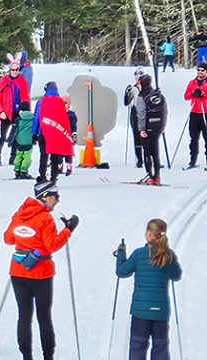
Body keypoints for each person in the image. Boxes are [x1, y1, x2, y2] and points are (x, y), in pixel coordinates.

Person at [4, 179, 78, 360]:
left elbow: (8, 239)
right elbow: (52, 245)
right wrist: (68, 230)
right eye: (56, 196)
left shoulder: (20, 214)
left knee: (24, 316)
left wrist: (25, 239)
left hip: (18, 271)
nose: (58, 200)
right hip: (41, 273)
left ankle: (26, 357)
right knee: (44, 317)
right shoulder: (45, 218)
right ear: (45, 196)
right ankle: (48, 357)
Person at [115, 218, 182, 360]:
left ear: (149, 233)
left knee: (138, 347)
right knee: (160, 348)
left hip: (141, 311)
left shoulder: (139, 254)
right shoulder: (168, 256)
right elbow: (177, 275)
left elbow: (122, 272)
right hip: (161, 311)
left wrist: (121, 254)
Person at [0, 53, 30, 166]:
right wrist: (0, 111)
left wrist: (24, 110)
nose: (15, 72)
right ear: (9, 70)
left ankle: (13, 157)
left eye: (17, 69)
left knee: (16, 136)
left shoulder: (21, 81)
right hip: (6, 112)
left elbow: (25, 97)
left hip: (17, 112)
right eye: (13, 70)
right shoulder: (4, 81)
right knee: (2, 136)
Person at [33, 82, 73, 183]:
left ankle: (42, 175)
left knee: (43, 155)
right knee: (55, 156)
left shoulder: (42, 101)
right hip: (56, 133)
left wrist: (34, 132)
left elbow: (37, 117)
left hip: (43, 132)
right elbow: (63, 118)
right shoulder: (60, 101)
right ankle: (54, 177)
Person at [137, 74, 167, 184]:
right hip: (157, 127)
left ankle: (149, 174)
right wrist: (162, 126)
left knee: (147, 152)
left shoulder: (142, 97)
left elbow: (141, 114)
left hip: (147, 127)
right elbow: (164, 112)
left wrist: (141, 129)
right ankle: (157, 175)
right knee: (155, 152)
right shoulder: (159, 95)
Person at [183, 62, 207, 168]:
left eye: (202, 70)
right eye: (199, 70)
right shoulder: (192, 82)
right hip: (194, 113)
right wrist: (193, 94)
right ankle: (192, 160)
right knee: (193, 138)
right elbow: (186, 96)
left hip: (205, 113)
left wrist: (203, 94)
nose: (200, 73)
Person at [124, 68, 146, 168]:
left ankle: (148, 157)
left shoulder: (148, 88)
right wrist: (127, 94)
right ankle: (139, 159)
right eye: (137, 77)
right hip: (135, 113)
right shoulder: (134, 88)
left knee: (146, 136)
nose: (138, 79)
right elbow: (126, 102)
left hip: (146, 113)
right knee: (137, 136)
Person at [8, 101, 35, 179]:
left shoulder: (18, 119)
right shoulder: (33, 118)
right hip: (29, 140)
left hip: (19, 140)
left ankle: (17, 170)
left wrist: (10, 140)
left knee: (19, 155)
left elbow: (14, 130)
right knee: (27, 156)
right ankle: (24, 171)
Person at [60, 95, 78, 176]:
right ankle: (59, 166)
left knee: (68, 152)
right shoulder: (58, 113)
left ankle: (69, 166)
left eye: (66, 103)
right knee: (59, 152)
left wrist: (74, 134)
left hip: (68, 136)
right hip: (60, 135)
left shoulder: (71, 115)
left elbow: (73, 126)